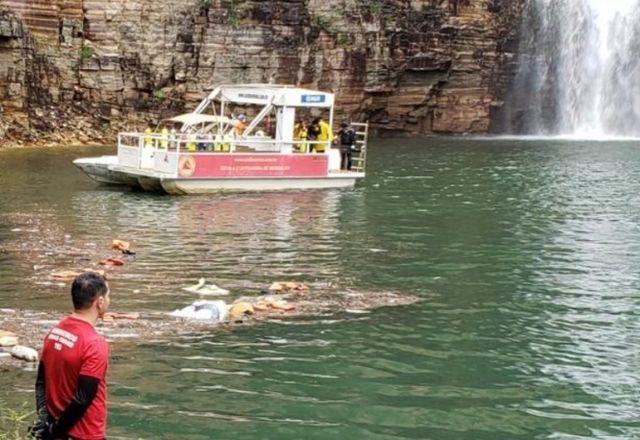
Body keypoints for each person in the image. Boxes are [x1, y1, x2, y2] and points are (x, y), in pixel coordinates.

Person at [30, 271, 111, 440]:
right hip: (86, 433)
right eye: (108, 296)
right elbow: (83, 398)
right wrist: (55, 431)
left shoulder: (54, 332)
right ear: (100, 302)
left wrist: (45, 421)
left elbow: (40, 382)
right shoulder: (94, 343)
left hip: (56, 426)